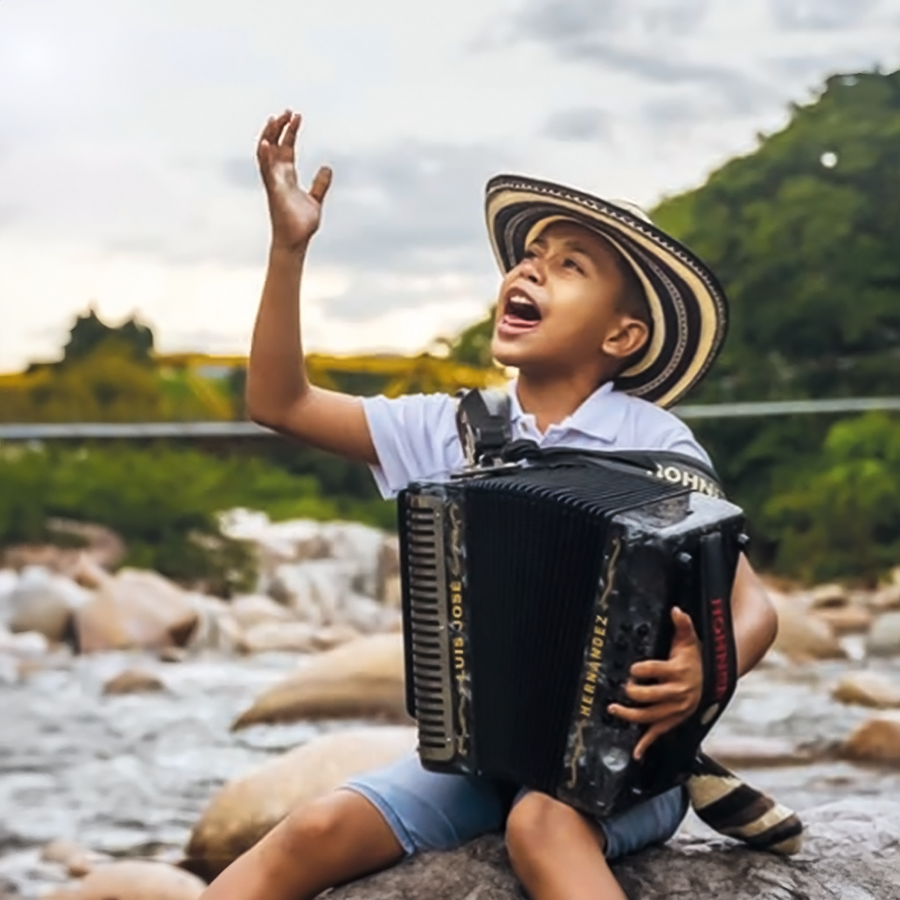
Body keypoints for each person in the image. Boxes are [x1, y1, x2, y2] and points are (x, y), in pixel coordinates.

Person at [199, 110, 778, 900]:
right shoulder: (447, 429)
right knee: (312, 829)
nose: (531, 271)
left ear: (623, 334)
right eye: (530, 257)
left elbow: (753, 607)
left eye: (569, 266)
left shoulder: (657, 444)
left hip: (625, 768)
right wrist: (288, 248)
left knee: (541, 826)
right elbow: (280, 401)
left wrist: (707, 667)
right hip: (477, 760)